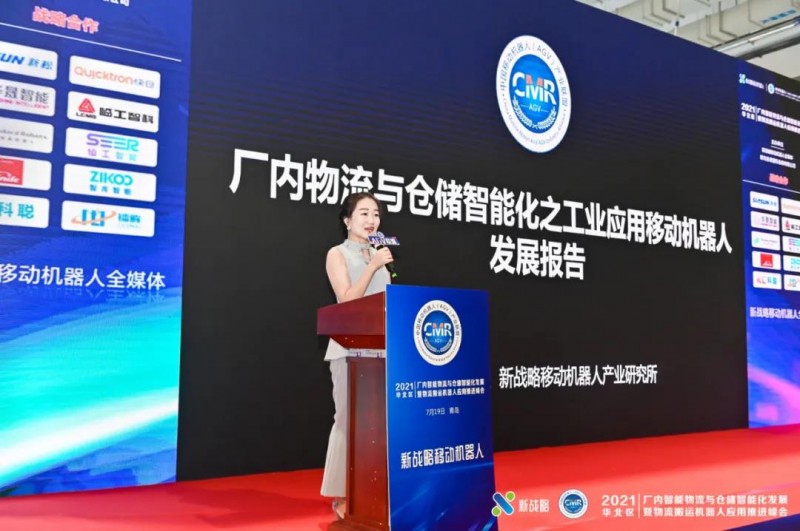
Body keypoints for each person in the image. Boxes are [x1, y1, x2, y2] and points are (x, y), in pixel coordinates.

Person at [321, 192, 394, 520]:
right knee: (348, 420)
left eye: (375, 214)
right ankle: (342, 493)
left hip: (382, 351)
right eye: (363, 213)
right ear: (347, 220)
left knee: (379, 424)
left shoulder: (379, 254)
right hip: (347, 350)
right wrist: (374, 266)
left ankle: (375, 490)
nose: (371, 220)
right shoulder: (337, 254)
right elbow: (347, 300)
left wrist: (378, 263)